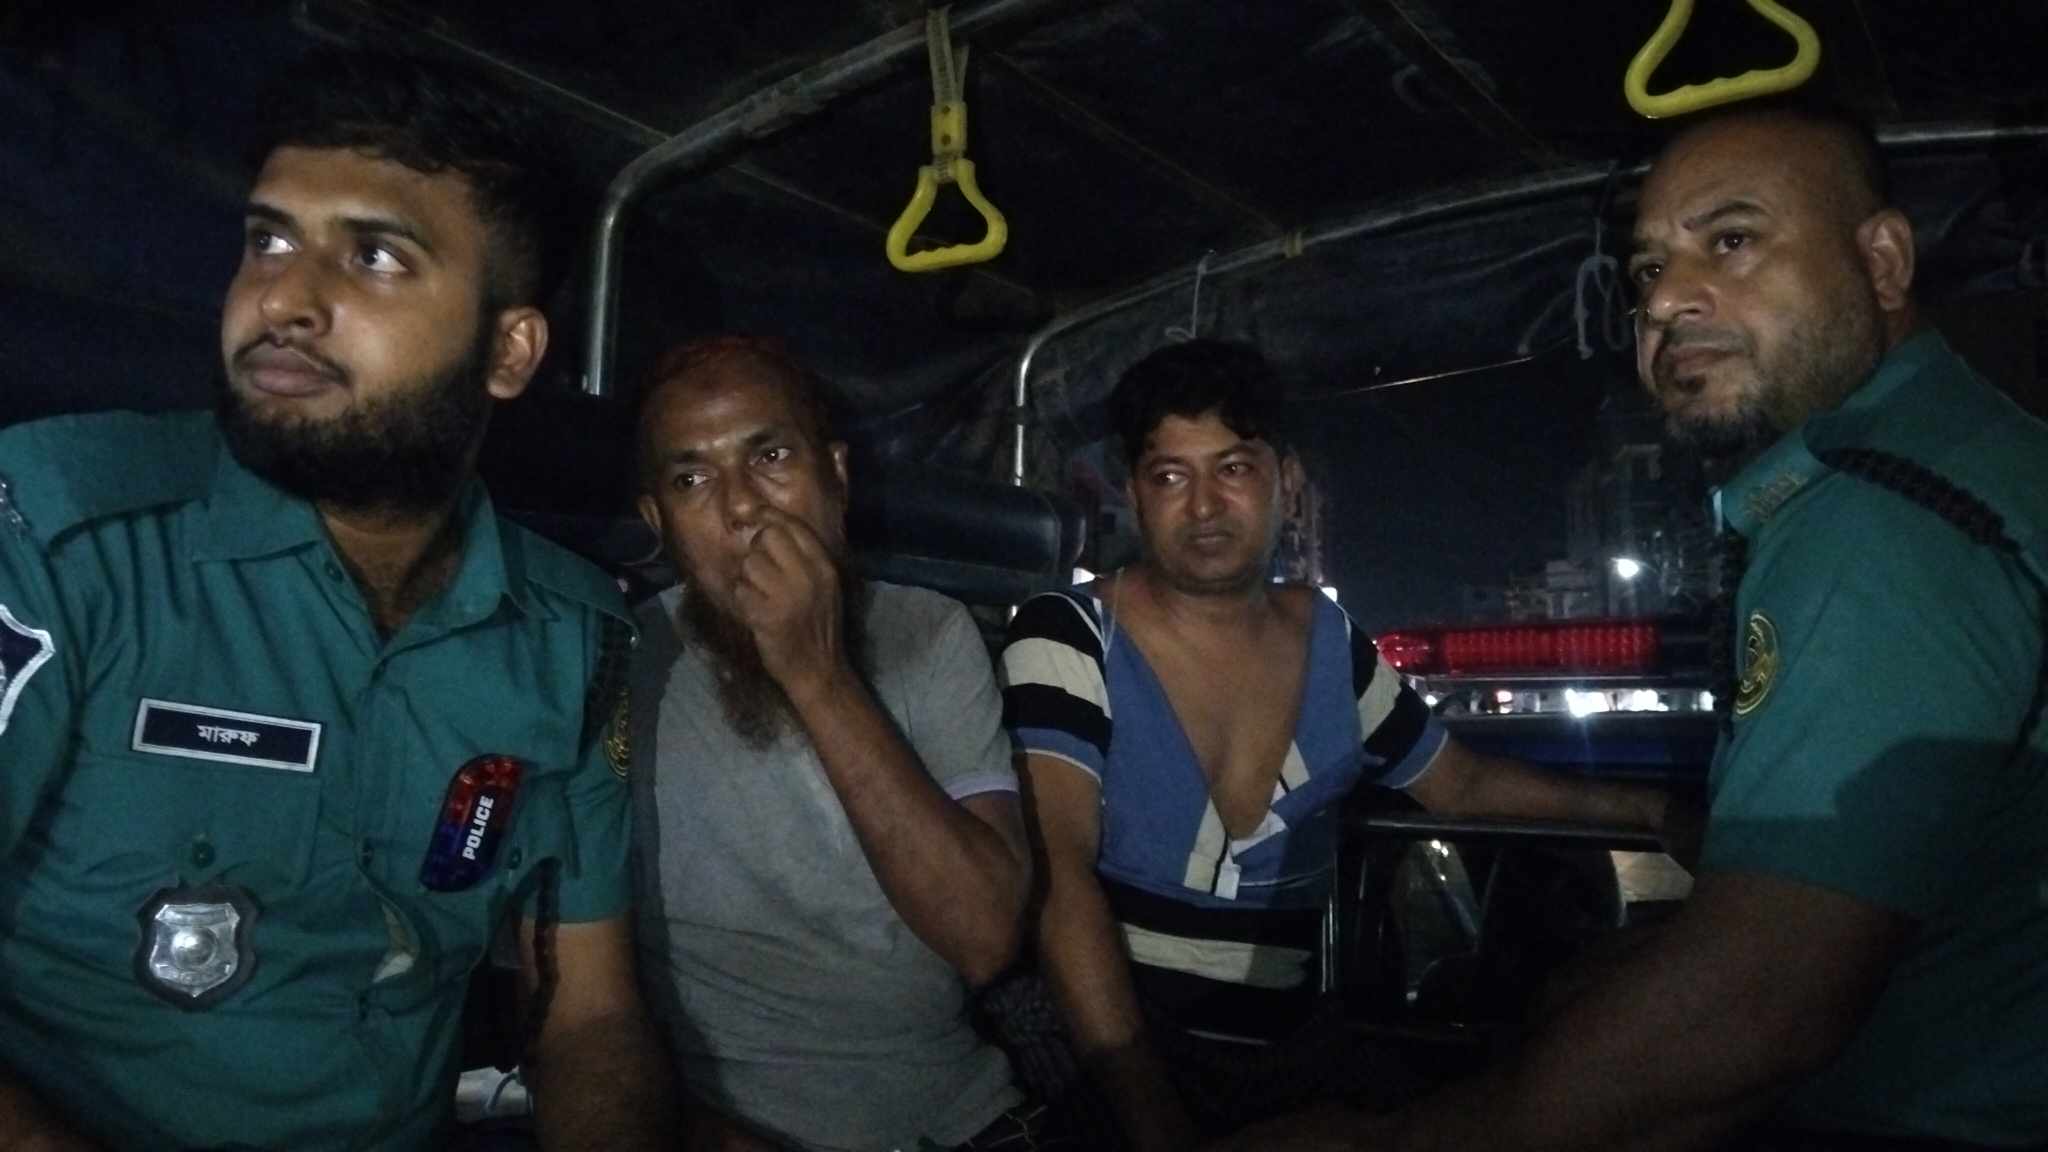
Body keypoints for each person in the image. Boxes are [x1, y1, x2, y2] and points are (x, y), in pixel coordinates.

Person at [1220, 103, 2048, 1151]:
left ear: (1881, 261)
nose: (1661, 300)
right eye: (1647, 268)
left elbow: (1761, 1003)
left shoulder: (1878, 525)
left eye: (1731, 240)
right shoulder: (1962, 457)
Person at [0, 47, 674, 1151]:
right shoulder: (57, 539)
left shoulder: (572, 638)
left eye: (373, 256)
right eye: (268, 240)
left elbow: (590, 1018)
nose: (284, 299)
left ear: (509, 351)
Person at [998, 338, 1692, 1150]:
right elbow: (1059, 875)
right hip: (1113, 1057)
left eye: (1233, 468)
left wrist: (1652, 809)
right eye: (1170, 476)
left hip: (1291, 1060)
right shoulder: (1072, 635)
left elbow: (1459, 786)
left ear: (1286, 482)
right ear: (1135, 494)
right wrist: (1156, 1127)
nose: (1205, 506)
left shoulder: (1330, 641)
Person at [629, 336, 1058, 1151]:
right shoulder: (615, 665)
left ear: (836, 475)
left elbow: (983, 937)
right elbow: (567, 1002)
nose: (741, 507)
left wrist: (817, 675)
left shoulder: (930, 632)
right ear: (658, 523)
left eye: (770, 457)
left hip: (958, 1118)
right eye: (692, 480)